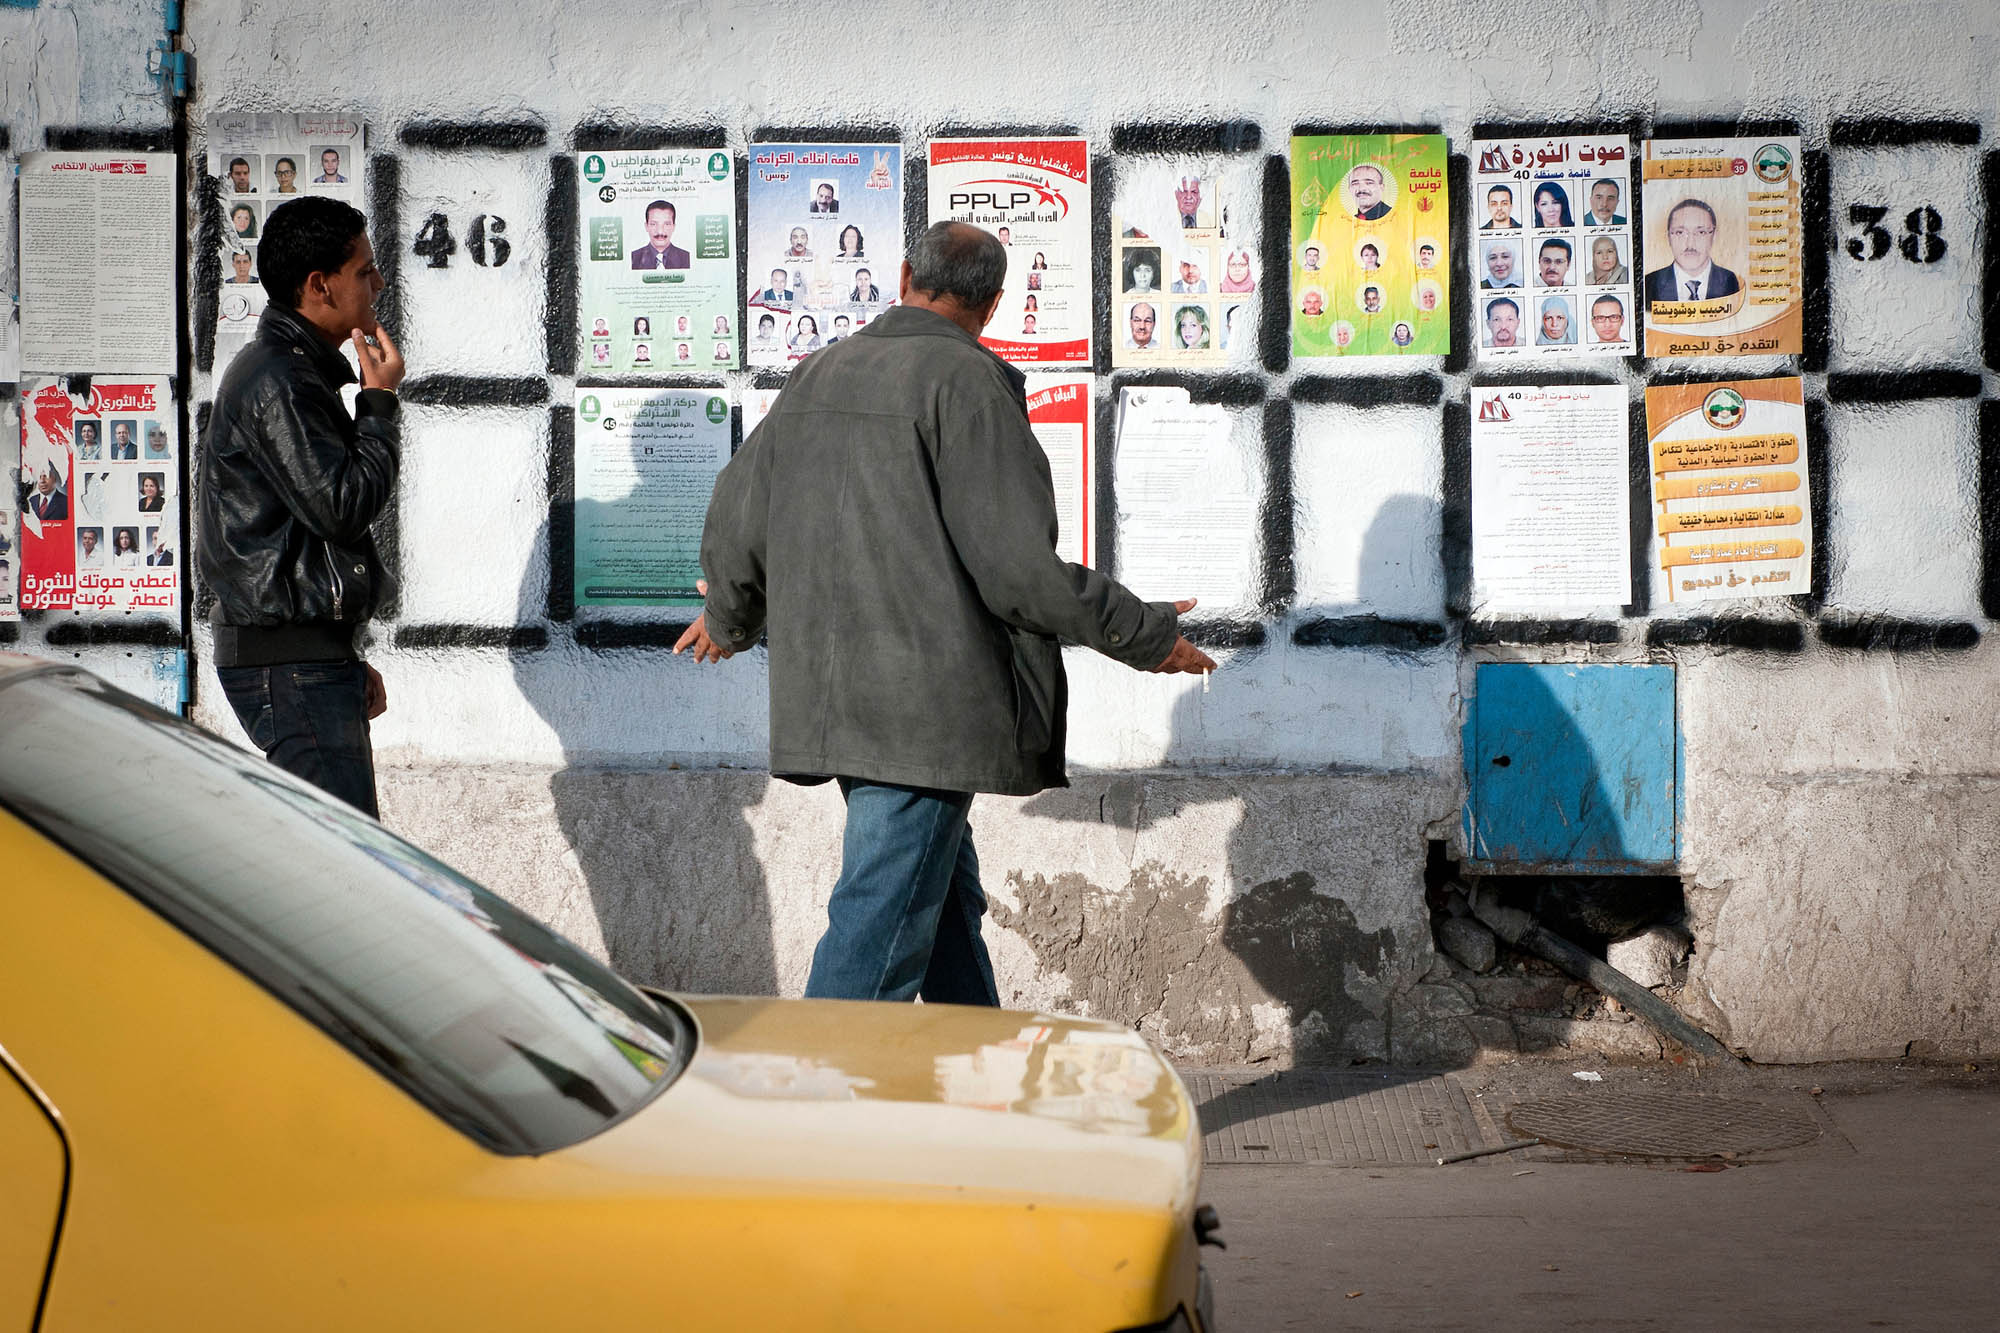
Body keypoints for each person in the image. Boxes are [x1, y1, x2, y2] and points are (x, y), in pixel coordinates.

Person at [676, 220, 1213, 1007]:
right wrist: (1147, 634)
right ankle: (816, 1115)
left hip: (843, 703)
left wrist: (728, 616)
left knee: (940, 910)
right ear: (992, 305)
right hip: (922, 712)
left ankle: (974, 1090)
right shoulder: (968, 383)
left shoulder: (818, 372)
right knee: (876, 930)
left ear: (901, 277)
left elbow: (736, 515)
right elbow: (1019, 570)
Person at [197, 194, 402, 817]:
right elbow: (341, 506)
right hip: (287, 664)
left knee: (339, 857)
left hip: (303, 658)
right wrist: (379, 403)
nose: (378, 281)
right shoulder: (280, 380)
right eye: (364, 270)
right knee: (342, 871)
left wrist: (340, 652)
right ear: (320, 285)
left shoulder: (293, 371)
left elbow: (308, 531)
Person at [1645, 199, 1740, 302]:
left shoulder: (1730, 281)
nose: (1690, 244)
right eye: (1680, 232)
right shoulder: (1650, 284)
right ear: (1668, 237)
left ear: (1714, 236)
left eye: (1701, 232)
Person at [630, 199, 691, 270]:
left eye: (667, 224)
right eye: (653, 224)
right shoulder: (633, 258)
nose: (660, 231)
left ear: (673, 227)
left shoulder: (687, 258)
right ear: (646, 226)